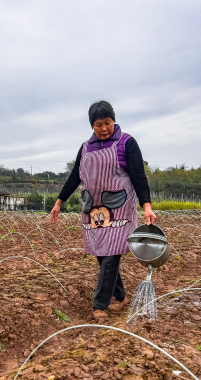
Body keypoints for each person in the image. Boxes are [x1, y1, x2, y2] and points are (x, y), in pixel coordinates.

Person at [50, 101, 156, 319]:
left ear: (113, 120)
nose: (104, 128)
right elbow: (75, 177)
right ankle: (121, 296)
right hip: (94, 209)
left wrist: (146, 206)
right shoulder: (86, 147)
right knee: (102, 255)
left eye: (107, 123)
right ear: (92, 125)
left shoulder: (127, 143)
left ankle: (99, 305)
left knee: (111, 256)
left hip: (120, 209)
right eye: (98, 125)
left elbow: (138, 176)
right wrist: (59, 202)